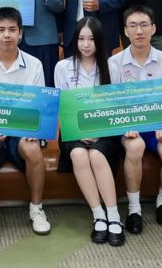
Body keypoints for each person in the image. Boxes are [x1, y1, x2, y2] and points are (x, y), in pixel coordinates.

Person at [0, 7, 51, 237]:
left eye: (12, 29)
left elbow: (38, 107)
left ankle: (36, 208)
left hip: (21, 128)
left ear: (20, 33)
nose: (7, 35)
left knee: (33, 148)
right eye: (1, 30)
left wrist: (30, 130)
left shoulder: (34, 65)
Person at [107, 5, 162, 236]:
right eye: (133, 26)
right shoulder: (114, 63)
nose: (139, 31)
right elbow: (111, 104)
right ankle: (134, 209)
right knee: (135, 147)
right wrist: (125, 124)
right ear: (125, 31)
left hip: (159, 126)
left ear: (154, 29)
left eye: (144, 25)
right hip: (129, 127)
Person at [55, 17, 124, 247]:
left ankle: (113, 215)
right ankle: (98, 215)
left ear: (99, 41)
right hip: (73, 131)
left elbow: (116, 107)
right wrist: (77, 132)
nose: (86, 44)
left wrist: (99, 132)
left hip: (105, 130)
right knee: (78, 154)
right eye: (81, 39)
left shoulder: (111, 67)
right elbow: (63, 109)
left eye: (91, 39)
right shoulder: (63, 67)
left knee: (96, 154)